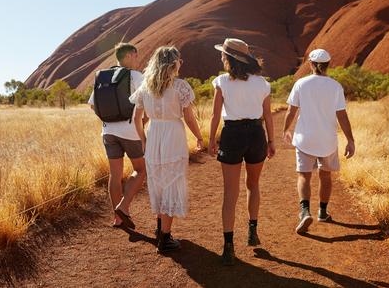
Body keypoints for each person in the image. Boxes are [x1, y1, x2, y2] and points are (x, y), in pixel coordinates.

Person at [208, 38, 276, 266]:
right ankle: (252, 231)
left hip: (232, 135)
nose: (220, 56)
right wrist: (272, 141)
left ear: (229, 58)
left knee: (230, 192)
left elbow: (215, 115)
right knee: (253, 185)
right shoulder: (262, 83)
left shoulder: (222, 82)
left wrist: (210, 140)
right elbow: (267, 115)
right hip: (257, 134)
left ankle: (228, 246)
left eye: (223, 54)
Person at [129, 46, 204, 253]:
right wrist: (199, 136)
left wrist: (143, 140)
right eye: (179, 60)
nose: (181, 63)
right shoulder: (180, 86)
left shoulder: (145, 86)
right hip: (173, 135)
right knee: (171, 181)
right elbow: (189, 118)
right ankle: (165, 238)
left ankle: (160, 228)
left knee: (158, 181)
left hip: (154, 134)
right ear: (173, 63)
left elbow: (137, 119)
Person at [282, 49, 355, 234]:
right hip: (327, 140)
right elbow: (342, 115)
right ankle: (322, 211)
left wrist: (286, 129)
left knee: (304, 175)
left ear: (311, 65)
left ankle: (305, 211)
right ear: (328, 65)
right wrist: (350, 139)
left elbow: (291, 110)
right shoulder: (335, 86)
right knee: (326, 175)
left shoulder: (301, 83)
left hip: (305, 138)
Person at [88, 43, 146, 229]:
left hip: (108, 131)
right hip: (130, 131)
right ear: (129, 55)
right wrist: (141, 124)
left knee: (115, 175)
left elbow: (92, 104)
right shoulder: (136, 76)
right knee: (141, 169)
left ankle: (118, 218)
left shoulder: (104, 76)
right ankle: (123, 206)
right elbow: (148, 101)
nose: (137, 59)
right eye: (135, 55)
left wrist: (109, 119)